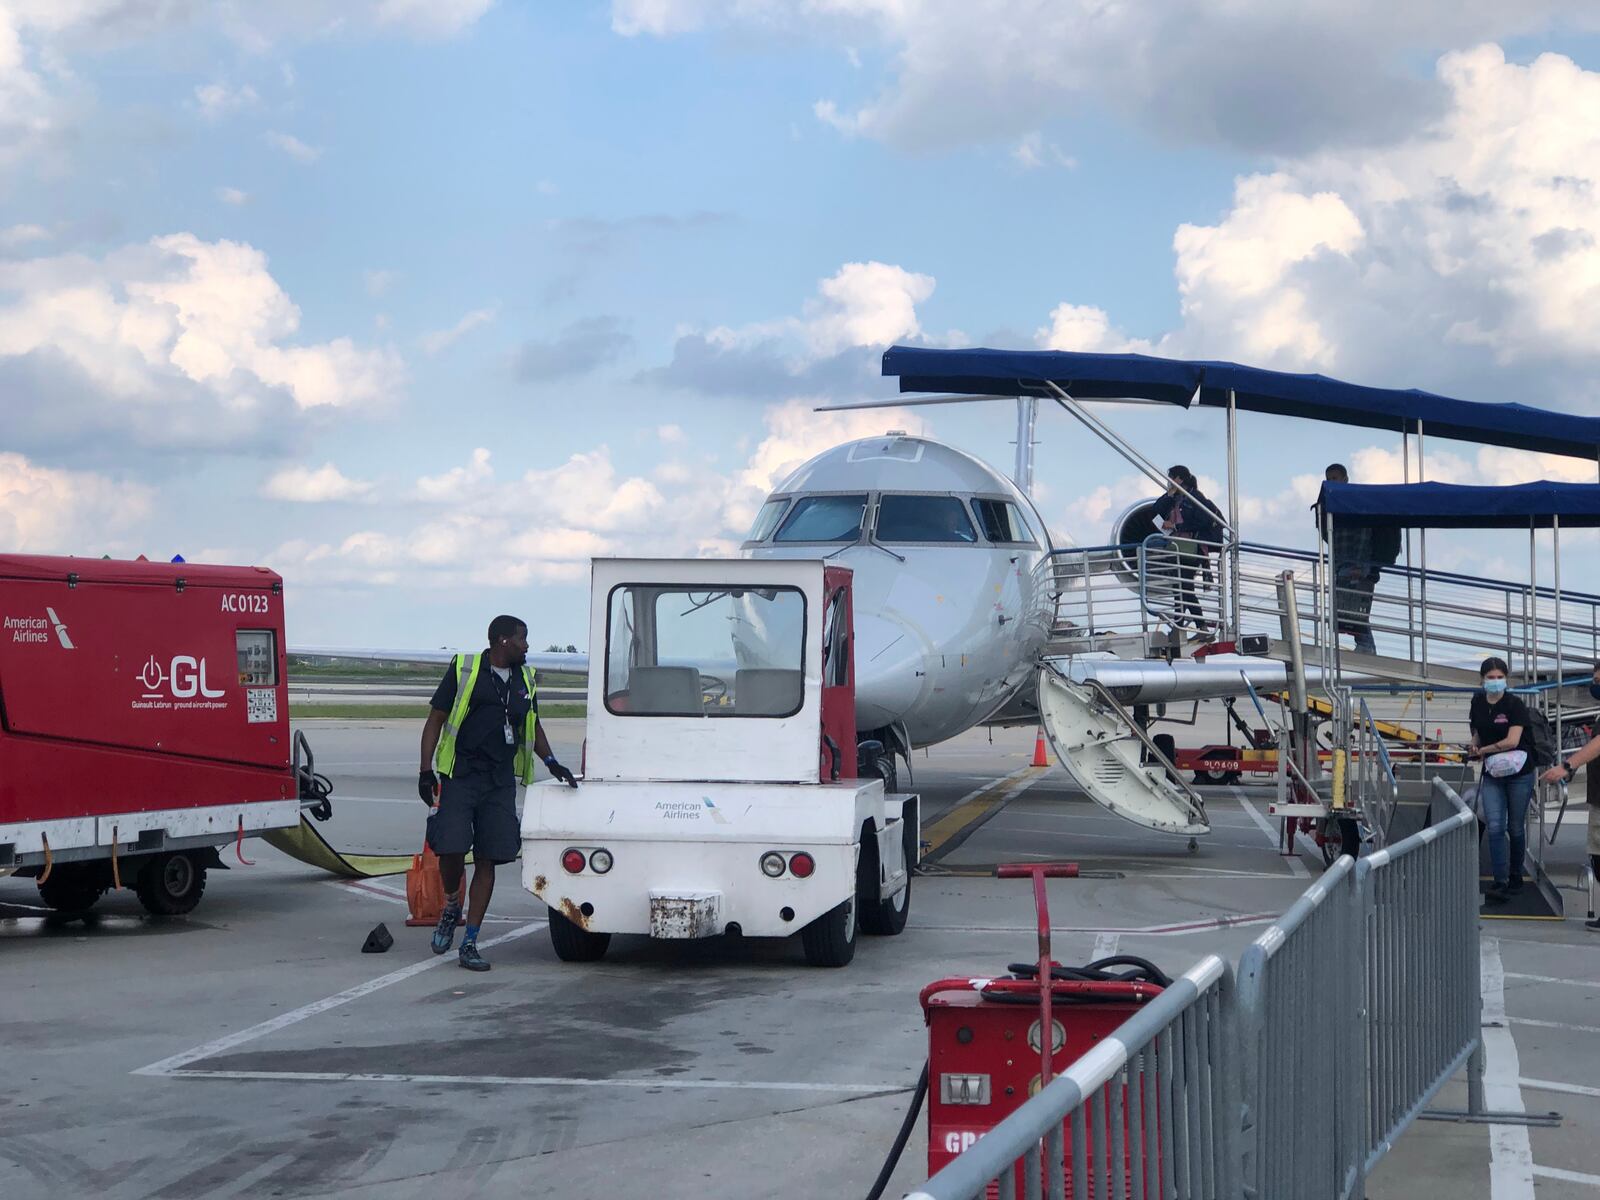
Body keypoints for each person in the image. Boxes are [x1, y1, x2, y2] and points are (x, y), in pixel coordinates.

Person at [418, 615, 578, 970]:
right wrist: (426, 770)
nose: (527, 646)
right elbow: (435, 720)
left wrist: (552, 762)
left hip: (499, 781)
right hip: (461, 775)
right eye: (523, 639)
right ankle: (450, 904)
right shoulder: (465, 669)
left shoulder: (526, 679)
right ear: (503, 641)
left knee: (489, 858)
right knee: (451, 848)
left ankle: (471, 941)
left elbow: (532, 727)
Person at [1467, 656, 1537, 905]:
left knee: (1515, 827)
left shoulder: (1514, 705)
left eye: (1499, 677)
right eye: (1490, 678)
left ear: (1505, 679)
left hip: (1519, 773)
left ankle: (1515, 875)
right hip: (1493, 773)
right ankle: (1500, 881)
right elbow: (1477, 732)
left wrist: (1484, 750)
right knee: (1495, 826)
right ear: (1482, 679)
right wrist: (1474, 746)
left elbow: (1512, 741)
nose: (1495, 682)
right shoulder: (1477, 703)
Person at [1540, 659, 1600, 930]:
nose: (1596, 687)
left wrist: (1567, 765)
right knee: (1597, 858)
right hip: (1598, 796)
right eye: (1595, 681)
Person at [1151, 465, 1224, 640]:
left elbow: (1203, 520)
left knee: (1184, 587)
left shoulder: (1195, 497)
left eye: (1171, 478)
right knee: (1181, 587)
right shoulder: (1175, 498)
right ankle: (1186, 627)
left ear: (1179, 479)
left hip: (1192, 549)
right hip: (1179, 547)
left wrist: (1176, 526)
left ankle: (1190, 627)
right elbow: (1155, 510)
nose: (1168, 481)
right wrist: (1169, 495)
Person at [1321, 463, 1382, 655]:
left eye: (1335, 478)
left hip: (1356, 564)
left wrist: (1359, 564)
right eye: (1329, 479)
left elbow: (1362, 535)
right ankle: (1365, 644)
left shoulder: (1353, 502)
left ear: (1345, 479)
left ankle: (1366, 644)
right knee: (1348, 607)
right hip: (1342, 563)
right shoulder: (1333, 504)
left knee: (1354, 607)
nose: (1332, 482)